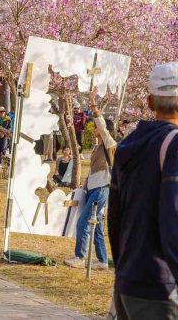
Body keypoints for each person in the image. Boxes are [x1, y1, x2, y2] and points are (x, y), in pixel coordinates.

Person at [108, 61, 178, 320]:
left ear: (150, 103)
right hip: (160, 286)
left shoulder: (128, 144)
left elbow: (115, 217)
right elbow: (173, 219)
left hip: (129, 282)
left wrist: (123, 269)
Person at [66, 93, 119, 268]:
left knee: (83, 223)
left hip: (102, 188)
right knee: (95, 226)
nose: (94, 128)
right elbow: (92, 170)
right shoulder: (98, 147)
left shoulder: (109, 144)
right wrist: (85, 185)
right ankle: (103, 260)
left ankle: (79, 257)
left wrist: (94, 106)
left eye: (96, 127)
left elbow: (103, 127)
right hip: (94, 188)